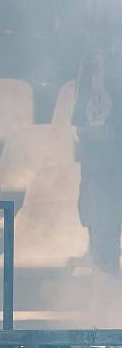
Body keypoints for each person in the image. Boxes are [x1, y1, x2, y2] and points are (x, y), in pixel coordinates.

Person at [73, 33, 122, 276]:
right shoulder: (94, 66)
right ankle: (105, 306)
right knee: (103, 252)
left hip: (105, 167)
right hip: (104, 170)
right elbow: (83, 128)